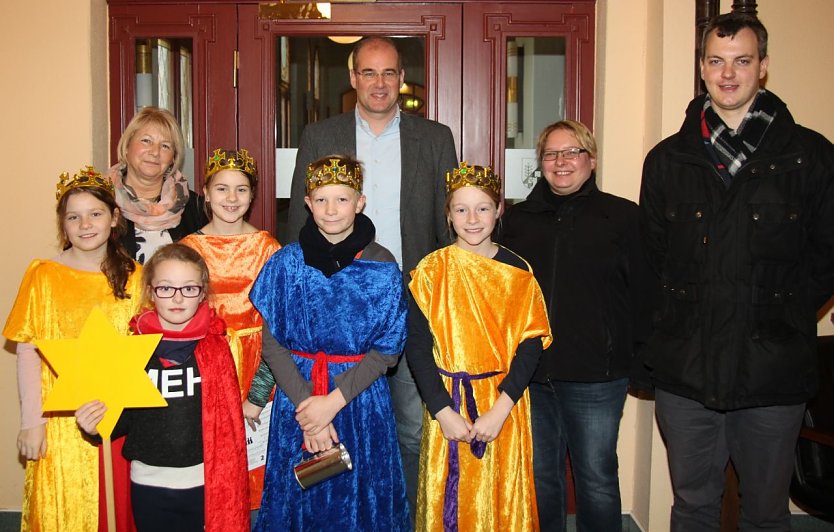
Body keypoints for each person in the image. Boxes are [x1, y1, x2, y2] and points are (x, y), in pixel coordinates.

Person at [639, 13, 834, 530]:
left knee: (766, 512)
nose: (728, 74)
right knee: (693, 507)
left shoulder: (811, 157)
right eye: (717, 61)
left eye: (742, 61)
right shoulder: (666, 161)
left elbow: (827, 256)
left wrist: (781, 311)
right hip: (686, 374)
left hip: (773, 372)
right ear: (702, 68)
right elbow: (652, 262)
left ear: (763, 67)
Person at [285, 36, 458, 516]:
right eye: (368, 73)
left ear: (402, 79)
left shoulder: (436, 138)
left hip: (409, 304)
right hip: (336, 309)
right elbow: (299, 224)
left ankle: (401, 517)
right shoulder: (321, 136)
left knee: (411, 425)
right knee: (344, 420)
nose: (378, 83)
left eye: (388, 73)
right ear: (353, 77)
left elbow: (449, 225)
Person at [499, 120, 651, 531]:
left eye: (572, 152)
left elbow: (644, 293)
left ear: (592, 159)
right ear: (540, 163)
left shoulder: (622, 217)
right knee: (540, 477)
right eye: (551, 154)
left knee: (596, 479)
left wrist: (640, 359)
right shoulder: (516, 222)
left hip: (596, 377)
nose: (561, 162)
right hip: (530, 377)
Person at [248, 155, 409, 530]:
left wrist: (332, 403)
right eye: (321, 199)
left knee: (360, 498)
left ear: (360, 202)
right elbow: (272, 345)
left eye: (342, 199)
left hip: (358, 402)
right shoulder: (285, 264)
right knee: (300, 498)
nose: (331, 209)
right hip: (298, 398)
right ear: (307, 203)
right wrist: (310, 409)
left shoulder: (382, 264)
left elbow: (387, 350)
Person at [407, 162, 552, 531]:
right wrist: (442, 411)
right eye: (461, 209)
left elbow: (530, 345)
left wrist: (500, 409)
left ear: (499, 209)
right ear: (449, 215)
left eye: (483, 208)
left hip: (502, 405)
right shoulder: (430, 272)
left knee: (500, 500)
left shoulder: (518, 272)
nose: (472, 219)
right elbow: (418, 349)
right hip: (448, 404)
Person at [4, 166, 143, 531]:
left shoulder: (137, 277)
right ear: (62, 225)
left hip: (117, 418)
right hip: (59, 420)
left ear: (114, 218)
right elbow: (28, 352)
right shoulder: (43, 276)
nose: (85, 225)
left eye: (95, 214)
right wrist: (32, 422)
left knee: (114, 510)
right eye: (74, 217)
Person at [75, 243, 249, 532]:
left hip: (205, 484)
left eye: (189, 288)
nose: (177, 298)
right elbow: (121, 419)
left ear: (202, 293)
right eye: (166, 288)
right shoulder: (134, 351)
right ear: (150, 292)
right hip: (149, 484)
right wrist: (93, 425)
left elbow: (227, 426)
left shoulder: (216, 348)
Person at [180, 148, 281, 518]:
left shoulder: (268, 248)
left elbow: (280, 323)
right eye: (221, 189)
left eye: (241, 190)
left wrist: (262, 387)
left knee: (257, 460)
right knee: (212, 454)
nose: (231, 198)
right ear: (205, 192)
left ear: (252, 196)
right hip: (208, 363)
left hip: (259, 363)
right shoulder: (188, 250)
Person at [107, 106, 207, 263]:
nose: (155, 152)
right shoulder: (102, 202)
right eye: (146, 141)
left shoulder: (195, 208)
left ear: (173, 157)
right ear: (127, 146)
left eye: (165, 146)